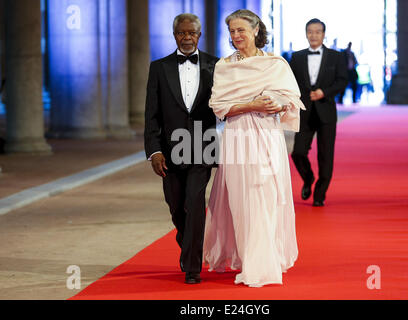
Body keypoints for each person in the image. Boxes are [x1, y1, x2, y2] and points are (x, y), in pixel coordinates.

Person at [203, 9, 305, 287]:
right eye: (232, 32)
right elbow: (219, 106)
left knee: (267, 195)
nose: (236, 36)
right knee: (241, 198)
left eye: (241, 31)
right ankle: (247, 258)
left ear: (256, 31)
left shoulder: (276, 64)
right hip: (238, 136)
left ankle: (264, 260)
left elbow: (292, 99)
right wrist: (253, 104)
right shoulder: (225, 66)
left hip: (268, 136)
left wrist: (278, 103)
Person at [144, 13, 219, 284]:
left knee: (195, 204)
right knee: (176, 206)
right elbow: (151, 113)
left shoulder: (216, 65)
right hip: (170, 148)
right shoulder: (159, 67)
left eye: (192, 33)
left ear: (199, 35)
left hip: (202, 144)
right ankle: (188, 245)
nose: (187, 38)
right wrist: (154, 151)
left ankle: (192, 267)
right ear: (174, 35)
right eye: (181, 33)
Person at [289, 18, 348, 207]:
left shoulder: (336, 57)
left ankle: (320, 194)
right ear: (306, 34)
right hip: (304, 112)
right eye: (310, 32)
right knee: (298, 152)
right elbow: (290, 82)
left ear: (324, 34)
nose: (314, 35)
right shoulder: (296, 57)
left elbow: (342, 81)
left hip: (326, 112)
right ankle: (308, 178)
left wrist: (325, 92)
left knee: (325, 155)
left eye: (318, 32)